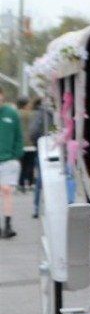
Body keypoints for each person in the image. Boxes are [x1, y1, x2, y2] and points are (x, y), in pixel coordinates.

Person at [0, 93, 23, 238]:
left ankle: (7, 225)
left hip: (9, 159)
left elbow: (18, 135)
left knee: (6, 190)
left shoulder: (11, 113)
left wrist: (16, 154)